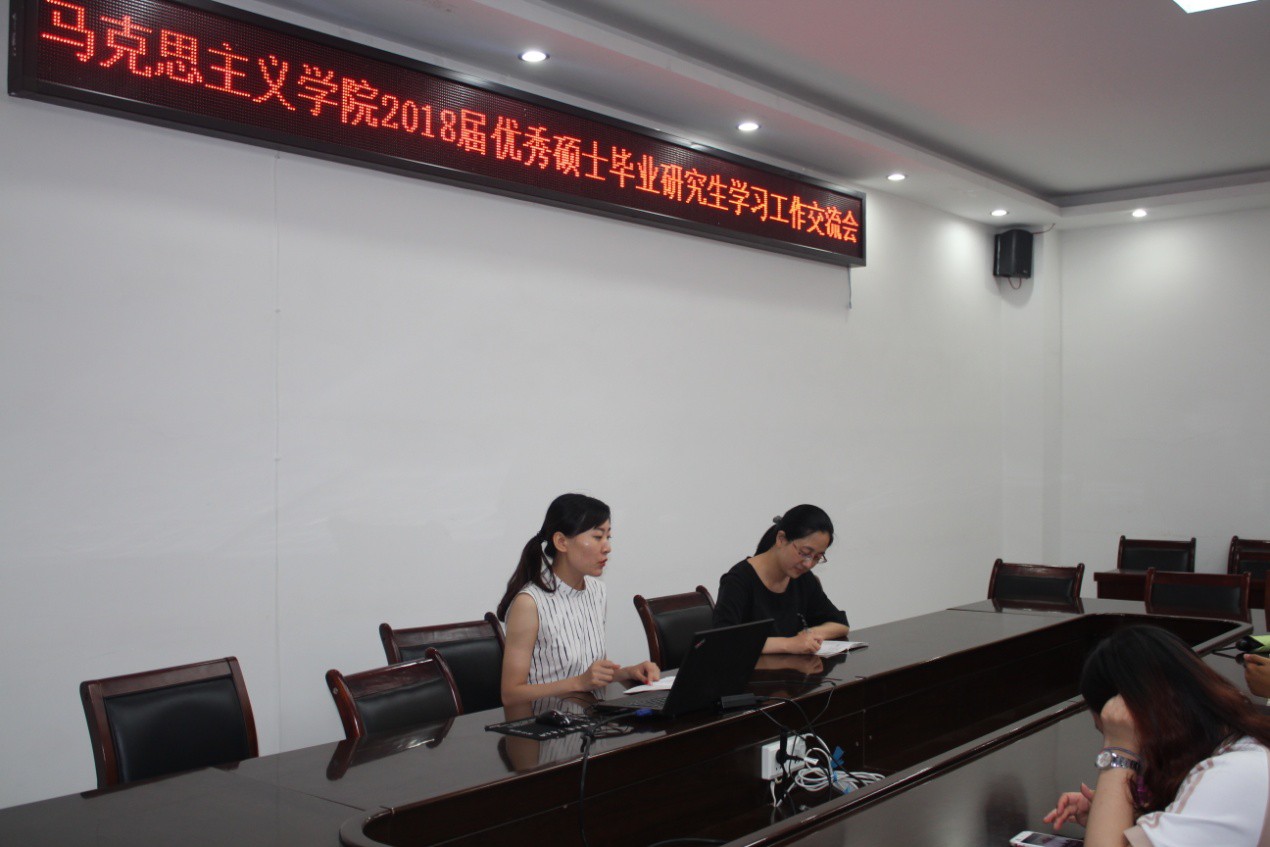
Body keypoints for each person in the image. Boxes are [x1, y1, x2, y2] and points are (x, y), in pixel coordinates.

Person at [1043, 625, 1270, 847]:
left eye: (1111, 731)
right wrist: (1113, 814)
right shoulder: (1238, 744)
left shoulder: (1230, 777)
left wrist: (1119, 752)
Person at [496, 493, 659, 706]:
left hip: (592, 717)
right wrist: (578, 683)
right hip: (547, 721)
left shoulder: (597, 591)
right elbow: (510, 694)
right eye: (597, 537)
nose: (607, 547)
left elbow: (589, 678)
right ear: (562, 542)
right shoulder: (529, 603)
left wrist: (628, 673)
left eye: (608, 537)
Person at [712, 504, 849, 654]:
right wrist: (788, 644)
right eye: (804, 553)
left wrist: (810, 635)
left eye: (817, 557)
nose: (808, 564)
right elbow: (723, 639)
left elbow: (840, 624)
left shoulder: (803, 579)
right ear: (781, 539)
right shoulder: (738, 581)